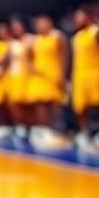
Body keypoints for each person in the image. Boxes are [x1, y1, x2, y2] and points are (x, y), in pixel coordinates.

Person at [70, 8, 99, 153]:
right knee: (81, 106)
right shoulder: (77, 36)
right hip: (80, 75)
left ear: (88, 16)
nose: (76, 20)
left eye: (79, 17)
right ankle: (85, 133)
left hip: (96, 73)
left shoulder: (97, 32)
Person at [26, 14, 67, 147]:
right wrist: (31, 66)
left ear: (50, 23)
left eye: (43, 22)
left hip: (54, 73)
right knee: (40, 104)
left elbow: (64, 56)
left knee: (54, 104)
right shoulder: (34, 39)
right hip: (39, 75)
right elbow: (29, 56)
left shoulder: (57, 36)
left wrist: (62, 74)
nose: (40, 25)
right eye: (38, 23)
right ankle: (42, 131)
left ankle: (52, 130)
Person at [6, 17, 33, 144]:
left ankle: (30, 128)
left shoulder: (30, 39)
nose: (16, 29)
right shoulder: (11, 43)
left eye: (18, 26)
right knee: (14, 103)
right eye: (14, 27)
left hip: (27, 75)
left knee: (27, 104)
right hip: (14, 75)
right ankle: (19, 127)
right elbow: (5, 61)